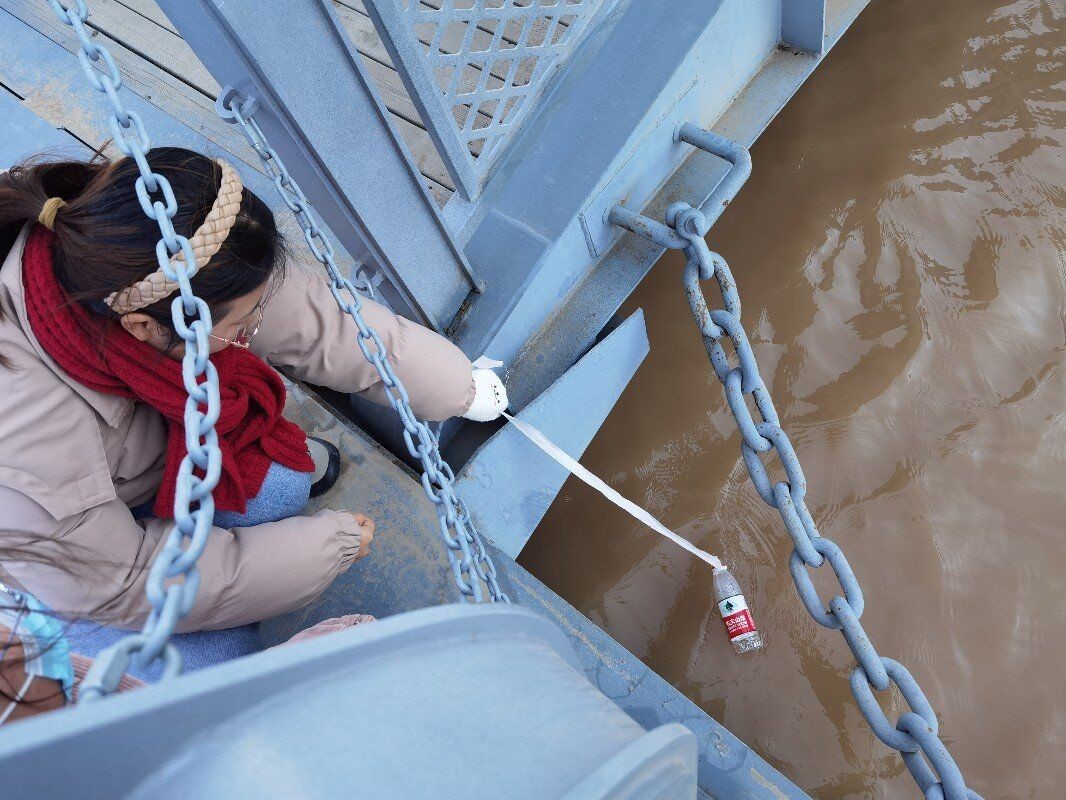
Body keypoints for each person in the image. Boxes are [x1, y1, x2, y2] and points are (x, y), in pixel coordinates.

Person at [0, 147, 508, 683]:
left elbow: (316, 322)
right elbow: (121, 584)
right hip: (52, 564)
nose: (254, 329)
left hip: (122, 469)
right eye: (241, 323)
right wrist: (322, 550)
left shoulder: (140, 244)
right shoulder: (26, 440)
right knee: (198, 669)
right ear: (144, 329)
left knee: (280, 482)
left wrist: (460, 388)